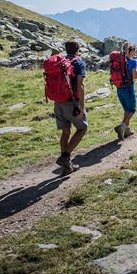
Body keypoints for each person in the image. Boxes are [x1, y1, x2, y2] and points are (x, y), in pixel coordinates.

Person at [55, 40, 87, 174]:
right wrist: (81, 106)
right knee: (82, 128)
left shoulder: (59, 61)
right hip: (71, 102)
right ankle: (65, 156)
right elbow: (80, 85)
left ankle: (67, 166)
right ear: (77, 50)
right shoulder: (78, 62)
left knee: (65, 131)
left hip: (58, 101)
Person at [114, 42, 137, 140]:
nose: (135, 53)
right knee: (132, 110)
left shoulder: (118, 61)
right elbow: (134, 76)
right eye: (134, 51)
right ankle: (122, 126)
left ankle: (127, 131)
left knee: (126, 110)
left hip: (119, 88)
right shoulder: (132, 61)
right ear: (130, 51)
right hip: (128, 88)